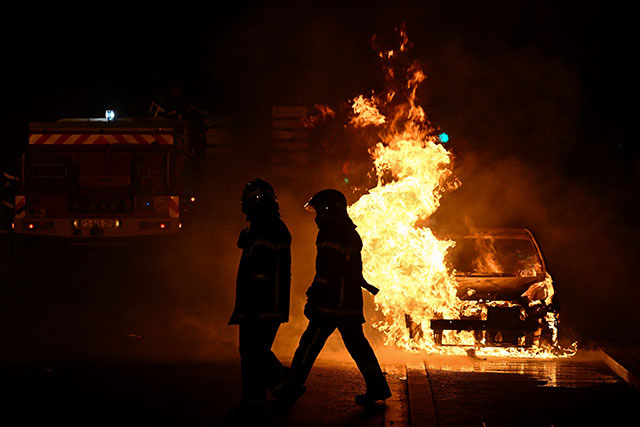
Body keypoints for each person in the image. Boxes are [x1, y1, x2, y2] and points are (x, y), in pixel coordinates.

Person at [273, 189, 391, 405]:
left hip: (331, 304)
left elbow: (327, 273)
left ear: (328, 211)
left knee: (308, 345)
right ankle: (377, 387)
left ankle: (290, 387)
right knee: (359, 347)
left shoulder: (329, 233)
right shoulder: (349, 232)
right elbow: (351, 271)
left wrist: (314, 298)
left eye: (319, 211)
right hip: (350, 303)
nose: (316, 217)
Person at [228, 178, 292, 415]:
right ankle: (285, 386)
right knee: (256, 352)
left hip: (260, 305)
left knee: (252, 354)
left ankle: (253, 405)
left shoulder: (267, 227)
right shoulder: (264, 226)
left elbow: (262, 270)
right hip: (260, 305)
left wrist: (249, 244)